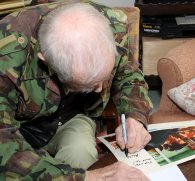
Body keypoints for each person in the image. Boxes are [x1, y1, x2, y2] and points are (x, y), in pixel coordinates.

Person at [0, 0, 153, 180]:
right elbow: (5, 150)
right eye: (86, 85)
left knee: (81, 153)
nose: (99, 89)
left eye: (103, 77)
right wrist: (86, 178)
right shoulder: (6, 56)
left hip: (73, 116)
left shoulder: (112, 26)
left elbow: (129, 77)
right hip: (19, 127)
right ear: (45, 60)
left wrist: (134, 116)